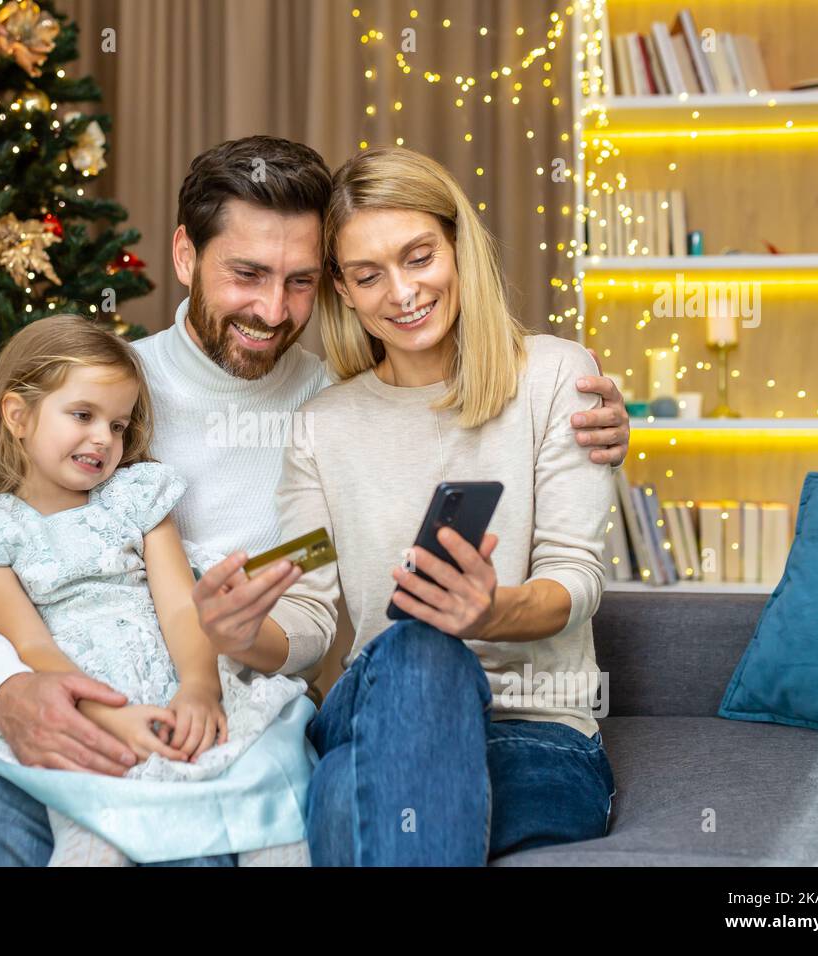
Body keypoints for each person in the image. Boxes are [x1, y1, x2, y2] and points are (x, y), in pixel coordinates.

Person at [0, 135, 631, 866]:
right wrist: (4, 688)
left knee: (422, 655)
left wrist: (490, 606)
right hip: (141, 697)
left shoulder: (327, 396)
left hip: (296, 720)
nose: (272, 308)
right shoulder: (109, 394)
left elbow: (563, 568)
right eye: (248, 274)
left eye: (299, 281)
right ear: (184, 256)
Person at [198, 145, 617, 865]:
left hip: (536, 733)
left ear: (459, 247)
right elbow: (307, 613)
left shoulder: (557, 377)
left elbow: (575, 578)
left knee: (344, 801)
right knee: (423, 648)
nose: (401, 292)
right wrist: (241, 635)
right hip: (378, 709)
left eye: (419, 257)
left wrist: (491, 613)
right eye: (368, 275)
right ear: (344, 289)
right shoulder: (322, 425)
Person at [0, 314, 312, 866]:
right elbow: (33, 648)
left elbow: (180, 606)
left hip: (167, 685)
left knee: (269, 782)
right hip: (73, 704)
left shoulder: (136, 500)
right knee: (96, 830)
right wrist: (106, 719)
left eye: (119, 425)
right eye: (83, 415)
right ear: (18, 414)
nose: (104, 438)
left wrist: (200, 686)